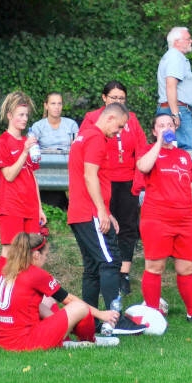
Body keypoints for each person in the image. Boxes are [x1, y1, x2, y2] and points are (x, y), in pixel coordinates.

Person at [67, 102, 145, 336]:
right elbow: (90, 176)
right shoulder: (96, 139)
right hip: (89, 212)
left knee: (92, 268)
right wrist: (101, 210)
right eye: (119, 126)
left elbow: (91, 179)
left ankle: (88, 323)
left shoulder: (83, 136)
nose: (118, 132)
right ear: (109, 118)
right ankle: (115, 320)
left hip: (80, 212)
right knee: (110, 262)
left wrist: (107, 212)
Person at [137, 112, 192, 325]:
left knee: (186, 268)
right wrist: (159, 143)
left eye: (169, 124)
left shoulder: (184, 156)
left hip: (185, 219)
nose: (166, 128)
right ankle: (152, 314)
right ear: (154, 131)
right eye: (161, 125)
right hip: (157, 218)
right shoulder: (149, 150)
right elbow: (143, 167)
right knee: (155, 267)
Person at [0, 231, 120, 350]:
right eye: (45, 255)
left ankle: (63, 337)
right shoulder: (35, 274)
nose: (46, 259)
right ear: (36, 255)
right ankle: (90, 341)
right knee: (80, 307)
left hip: (4, 341)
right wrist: (101, 314)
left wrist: (62, 323)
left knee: (47, 299)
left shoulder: (8, 269)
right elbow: (68, 299)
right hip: (25, 342)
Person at [80, 81, 148, 295]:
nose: (118, 101)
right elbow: (84, 148)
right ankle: (105, 268)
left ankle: (123, 274)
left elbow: (141, 149)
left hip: (127, 180)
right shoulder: (93, 118)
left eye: (121, 98)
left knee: (128, 226)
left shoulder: (131, 119)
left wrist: (138, 180)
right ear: (104, 98)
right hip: (103, 180)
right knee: (105, 225)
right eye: (114, 98)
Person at [0, 91, 46, 274]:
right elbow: (9, 175)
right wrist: (24, 152)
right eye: (20, 115)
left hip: (30, 206)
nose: (25, 119)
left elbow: (32, 177)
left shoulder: (28, 142)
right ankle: (2, 286)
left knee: (30, 253)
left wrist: (39, 208)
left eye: (26, 115)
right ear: (9, 115)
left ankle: (24, 287)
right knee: (10, 251)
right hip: (11, 206)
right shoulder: (2, 142)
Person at [31, 91, 79, 210]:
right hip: (45, 167)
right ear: (46, 106)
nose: (56, 107)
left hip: (68, 164)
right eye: (53, 103)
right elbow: (32, 147)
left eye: (59, 104)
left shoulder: (71, 124)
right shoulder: (38, 126)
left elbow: (77, 146)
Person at [157, 26, 192, 150]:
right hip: (177, 109)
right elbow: (171, 85)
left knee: (172, 150)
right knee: (188, 149)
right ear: (177, 42)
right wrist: (175, 114)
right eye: (188, 39)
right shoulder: (175, 57)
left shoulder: (172, 57)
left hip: (173, 108)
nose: (191, 41)